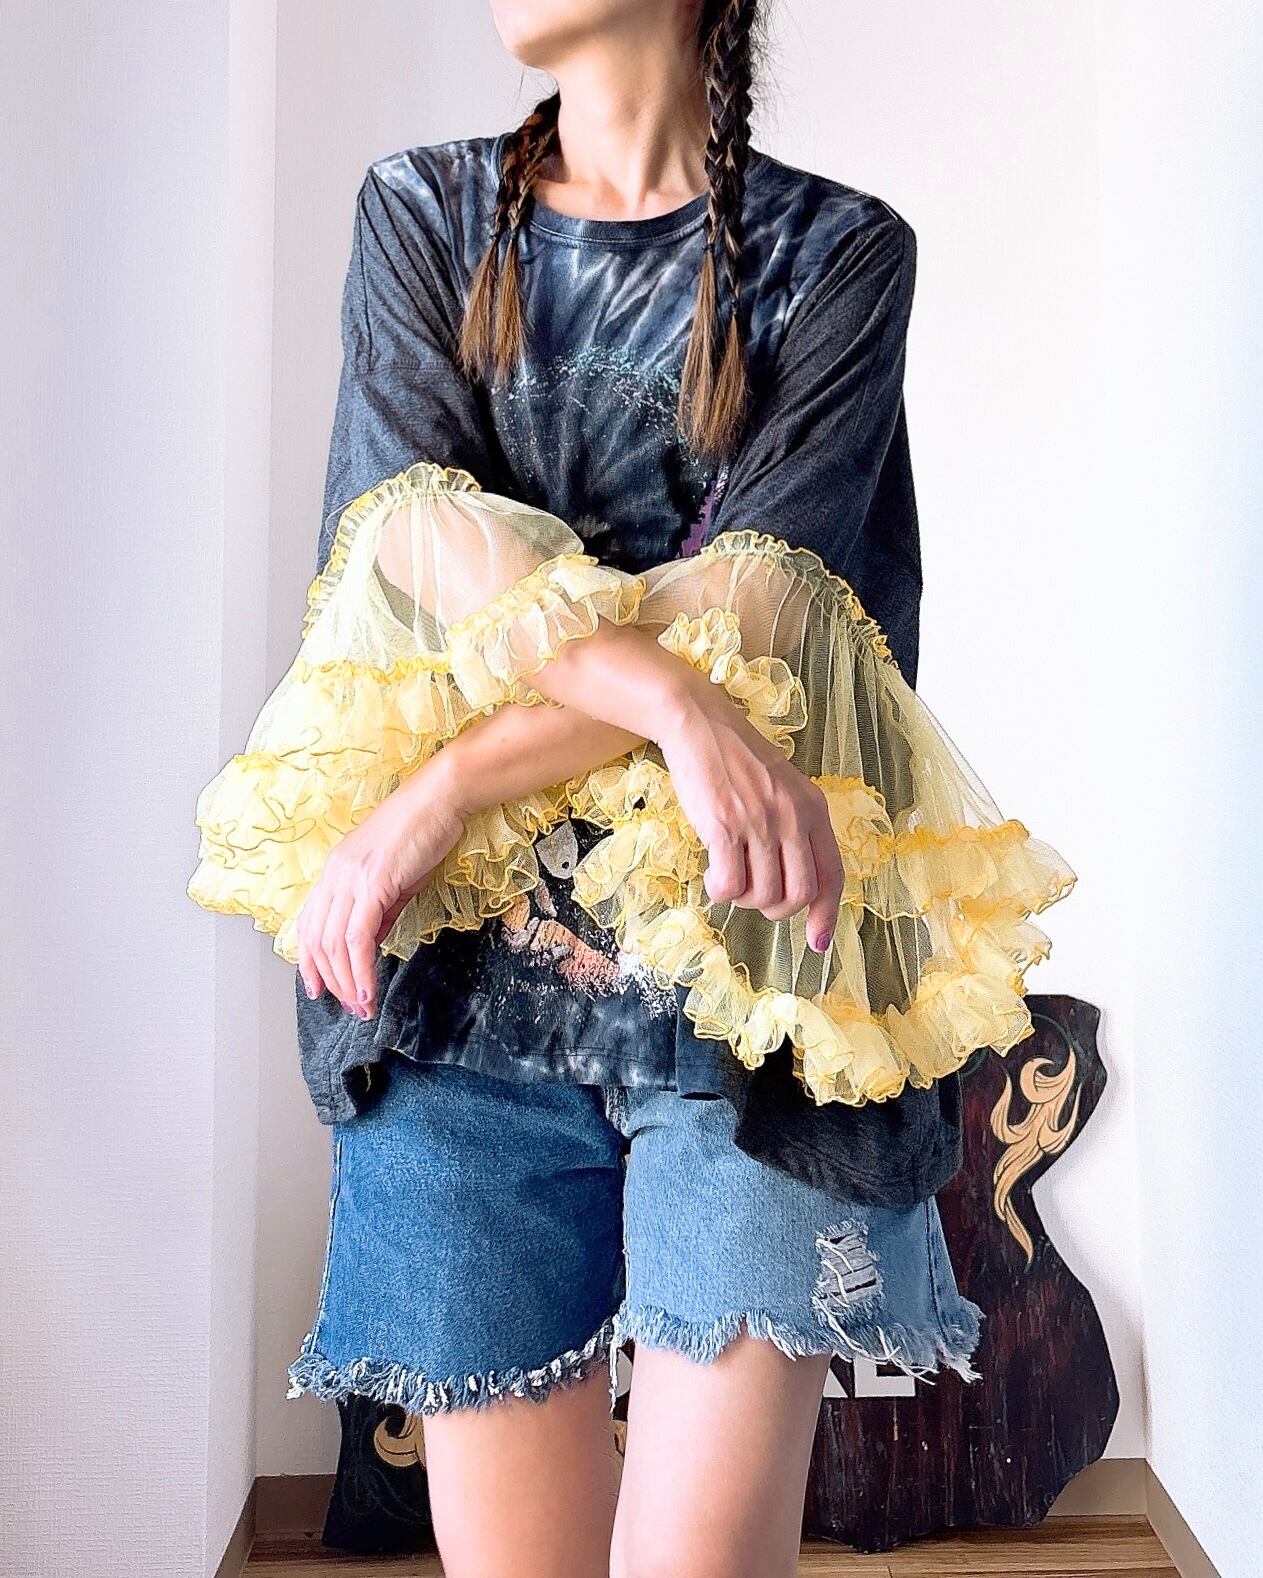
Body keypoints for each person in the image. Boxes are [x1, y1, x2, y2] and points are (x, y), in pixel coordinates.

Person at [187, 2, 1076, 1573]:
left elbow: (765, 605)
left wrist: (447, 783)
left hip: (752, 1002)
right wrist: (670, 698)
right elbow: (413, 542)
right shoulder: (424, 215)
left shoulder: (840, 255)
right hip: (463, 1004)